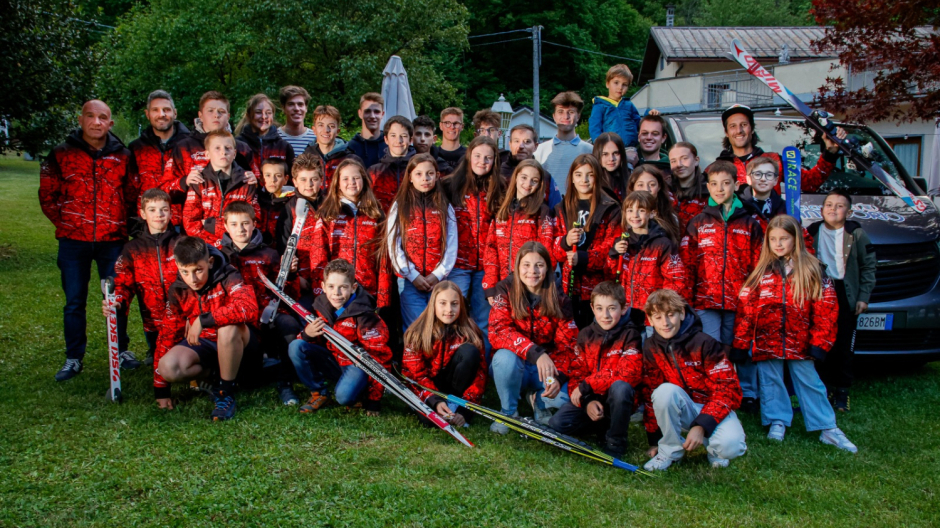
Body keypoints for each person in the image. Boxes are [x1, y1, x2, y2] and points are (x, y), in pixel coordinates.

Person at [733, 215, 858, 452]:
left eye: (784, 239)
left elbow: (827, 309)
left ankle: (827, 427)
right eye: (773, 239)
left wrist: (819, 343)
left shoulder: (813, 269)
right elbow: (746, 310)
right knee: (770, 382)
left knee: (809, 382)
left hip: (799, 341)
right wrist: (741, 342)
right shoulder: (760, 272)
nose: (778, 244)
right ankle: (777, 420)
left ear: (796, 240)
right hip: (766, 341)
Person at [40, 99, 141, 381]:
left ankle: (120, 350)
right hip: (74, 241)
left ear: (110, 123)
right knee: (74, 300)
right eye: (90, 116)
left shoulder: (122, 155)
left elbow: (132, 195)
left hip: (113, 240)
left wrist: (125, 226)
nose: (96, 122)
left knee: (117, 298)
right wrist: (69, 223)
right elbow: (47, 195)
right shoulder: (61, 154)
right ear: (81, 119)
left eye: (103, 117)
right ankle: (74, 357)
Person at [680, 160, 763, 413]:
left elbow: (760, 262)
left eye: (726, 183)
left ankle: (747, 392)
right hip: (706, 299)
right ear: (707, 187)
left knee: (740, 346)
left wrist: (753, 292)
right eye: (714, 184)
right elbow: (687, 262)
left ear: (736, 185)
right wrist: (688, 297)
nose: (719, 189)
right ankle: (712, 390)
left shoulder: (750, 222)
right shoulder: (698, 222)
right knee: (710, 346)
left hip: (740, 298)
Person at [154, 236, 260, 420]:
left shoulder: (229, 274)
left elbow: (249, 308)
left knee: (227, 328)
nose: (193, 279)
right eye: (185, 272)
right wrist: (161, 389)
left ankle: (225, 394)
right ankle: (217, 376)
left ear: (210, 262)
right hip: (206, 345)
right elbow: (167, 333)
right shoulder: (178, 289)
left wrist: (204, 320)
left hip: (243, 347)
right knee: (168, 367)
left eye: (198, 270)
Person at [640, 288, 747, 471]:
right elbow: (650, 389)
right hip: (682, 405)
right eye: (658, 317)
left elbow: (728, 389)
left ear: (682, 313)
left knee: (731, 447)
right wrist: (654, 439)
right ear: (650, 320)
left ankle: (715, 450)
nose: (665, 323)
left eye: (670, 315)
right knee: (663, 392)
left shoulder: (705, 343)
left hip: (712, 406)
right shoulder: (651, 347)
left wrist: (701, 426)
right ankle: (669, 452)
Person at [217, 200, 300, 406]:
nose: (241, 229)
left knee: (288, 324)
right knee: (248, 381)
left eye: (245, 223)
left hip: (268, 313)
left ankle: (286, 381)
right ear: (225, 226)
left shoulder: (269, 254)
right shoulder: (219, 256)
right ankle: (235, 377)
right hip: (240, 319)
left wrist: (290, 274)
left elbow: (287, 290)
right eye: (234, 224)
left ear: (254, 223)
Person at [488, 241, 578, 432]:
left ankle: (539, 400)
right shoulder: (505, 289)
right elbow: (498, 331)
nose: (532, 271)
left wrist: (558, 379)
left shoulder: (559, 297)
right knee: (503, 358)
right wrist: (536, 353)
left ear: (547, 268)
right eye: (526, 265)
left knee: (567, 399)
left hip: (546, 370)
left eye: (539, 265)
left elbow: (568, 346)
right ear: (518, 267)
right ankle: (508, 412)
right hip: (515, 366)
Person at [548, 281, 642, 458]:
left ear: (623, 308)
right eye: (599, 308)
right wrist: (587, 401)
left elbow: (628, 372)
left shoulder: (631, 335)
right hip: (592, 396)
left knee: (621, 387)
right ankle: (600, 426)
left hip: (616, 399)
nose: (605, 315)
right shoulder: (586, 335)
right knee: (557, 424)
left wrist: (587, 385)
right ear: (592, 308)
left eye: (612, 308)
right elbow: (577, 372)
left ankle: (616, 442)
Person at [287, 259, 393, 415]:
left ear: (353, 288)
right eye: (331, 287)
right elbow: (314, 340)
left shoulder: (366, 316)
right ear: (323, 287)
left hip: (357, 367)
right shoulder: (321, 305)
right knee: (296, 346)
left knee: (343, 397)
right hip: (334, 360)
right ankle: (319, 393)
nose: (336, 293)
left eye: (343, 287)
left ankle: (359, 393)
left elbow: (379, 359)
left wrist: (373, 402)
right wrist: (306, 335)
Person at [808, 189, 876, 412]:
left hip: (845, 293)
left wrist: (863, 297)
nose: (833, 209)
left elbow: (868, 267)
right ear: (821, 209)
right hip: (820, 293)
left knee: (843, 345)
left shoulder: (856, 234)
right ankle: (823, 388)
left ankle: (842, 391)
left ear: (849, 211)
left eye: (839, 206)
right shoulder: (813, 231)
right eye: (829, 205)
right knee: (820, 343)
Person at [104, 189, 180, 367]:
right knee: (163, 365)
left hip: (183, 322)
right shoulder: (132, 249)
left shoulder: (182, 243)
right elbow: (123, 283)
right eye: (152, 210)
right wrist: (117, 300)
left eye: (164, 209)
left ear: (171, 212)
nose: (159, 215)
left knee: (181, 364)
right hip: (153, 324)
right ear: (142, 214)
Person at [443, 136, 504, 353]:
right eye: (478, 156)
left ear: (495, 161)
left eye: (488, 158)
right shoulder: (450, 185)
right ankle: (452, 361)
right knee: (451, 313)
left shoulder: (501, 188)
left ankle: (483, 362)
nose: (482, 161)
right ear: (469, 157)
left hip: (487, 267)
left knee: (483, 317)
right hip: (457, 263)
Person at [384, 154, 458, 331]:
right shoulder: (400, 205)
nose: (425, 178)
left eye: (429, 173)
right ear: (410, 177)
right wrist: (412, 275)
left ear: (437, 175)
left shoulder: (444, 206)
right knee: (414, 327)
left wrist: (438, 274)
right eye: (419, 174)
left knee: (439, 327)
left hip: (438, 280)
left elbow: (451, 243)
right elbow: (394, 244)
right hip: (409, 281)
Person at [402, 280, 487, 427]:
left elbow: (480, 375)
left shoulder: (471, 331)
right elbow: (415, 374)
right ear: (433, 304)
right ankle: (434, 407)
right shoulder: (416, 332)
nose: (449, 309)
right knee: (429, 422)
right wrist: (434, 400)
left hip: (455, 388)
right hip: (428, 387)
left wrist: (464, 411)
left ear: (461, 305)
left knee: (470, 351)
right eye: (443, 303)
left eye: (454, 304)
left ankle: (454, 407)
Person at [552, 154, 620, 328]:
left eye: (590, 175)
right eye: (579, 175)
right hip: (570, 286)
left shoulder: (610, 207)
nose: (584, 180)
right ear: (572, 179)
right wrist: (566, 241)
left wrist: (584, 258)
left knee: (598, 331)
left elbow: (611, 247)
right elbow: (553, 248)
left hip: (600, 286)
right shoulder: (562, 207)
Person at [311, 158, 388, 307]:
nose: (351, 182)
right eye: (345, 178)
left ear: (364, 181)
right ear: (337, 184)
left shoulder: (375, 214)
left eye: (356, 178)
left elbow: (383, 258)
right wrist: (320, 296)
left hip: (367, 290)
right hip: (336, 293)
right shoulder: (328, 214)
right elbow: (318, 255)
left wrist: (383, 300)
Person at [717, 104, 845, 190]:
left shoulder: (774, 160)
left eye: (744, 124)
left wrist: (830, 153)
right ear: (727, 133)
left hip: (770, 229)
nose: (739, 130)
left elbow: (810, 182)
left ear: (751, 128)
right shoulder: (716, 168)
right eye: (733, 126)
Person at [609, 191, 688, 328]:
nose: (635, 215)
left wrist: (661, 307)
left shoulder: (662, 243)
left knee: (650, 347)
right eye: (630, 210)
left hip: (652, 313)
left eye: (641, 210)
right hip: (626, 312)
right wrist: (614, 254)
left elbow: (675, 280)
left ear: (652, 213)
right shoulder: (622, 241)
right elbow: (610, 274)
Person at [164, 91, 255, 206]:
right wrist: (184, 181)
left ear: (228, 116)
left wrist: (255, 181)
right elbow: (164, 189)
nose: (216, 115)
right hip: (193, 218)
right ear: (200, 116)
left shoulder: (242, 148)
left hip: (234, 219)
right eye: (210, 111)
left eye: (221, 111)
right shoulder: (184, 147)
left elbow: (260, 186)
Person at [482, 160, 556, 297]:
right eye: (524, 177)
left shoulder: (542, 212)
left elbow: (548, 252)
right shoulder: (502, 209)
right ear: (516, 177)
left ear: (540, 184)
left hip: (529, 286)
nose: (528, 184)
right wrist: (491, 287)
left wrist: (537, 284)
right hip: (502, 286)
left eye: (534, 180)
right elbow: (491, 250)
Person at [182, 130, 260, 247]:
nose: (223, 152)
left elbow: (255, 220)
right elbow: (190, 223)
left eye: (228, 148)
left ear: (234, 154)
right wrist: (216, 244)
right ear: (207, 154)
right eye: (217, 148)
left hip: (237, 246)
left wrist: (209, 224)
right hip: (206, 247)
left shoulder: (246, 181)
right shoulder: (199, 181)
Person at [128, 90, 191, 226]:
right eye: (155, 110)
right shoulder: (136, 148)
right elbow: (130, 189)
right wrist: (134, 221)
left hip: (184, 225)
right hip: (148, 225)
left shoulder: (191, 145)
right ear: (147, 114)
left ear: (175, 113)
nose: (161, 114)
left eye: (166, 110)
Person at [738, 155, 816, 250]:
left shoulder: (787, 209)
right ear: (748, 179)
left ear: (776, 180)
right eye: (758, 174)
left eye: (769, 175)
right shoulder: (738, 208)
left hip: (778, 262)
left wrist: (794, 262)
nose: (763, 179)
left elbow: (803, 240)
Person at [275, 153, 325, 294]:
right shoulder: (290, 208)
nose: (309, 184)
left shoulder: (330, 204)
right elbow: (283, 245)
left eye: (313, 179)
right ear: (295, 181)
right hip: (303, 276)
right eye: (303, 180)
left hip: (328, 276)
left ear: (321, 180)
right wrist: (295, 276)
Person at [534, 91, 594, 190]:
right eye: (560, 112)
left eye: (571, 112)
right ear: (554, 116)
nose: (566, 117)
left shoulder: (589, 150)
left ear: (578, 116)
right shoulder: (540, 150)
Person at [588, 64, 657, 145]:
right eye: (616, 83)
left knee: (633, 157)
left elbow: (639, 125)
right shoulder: (600, 105)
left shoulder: (629, 105)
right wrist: (599, 145)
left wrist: (648, 115)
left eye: (624, 84)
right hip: (610, 149)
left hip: (630, 148)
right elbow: (594, 128)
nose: (620, 87)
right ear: (607, 84)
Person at [235, 93, 295, 183]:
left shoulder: (284, 147)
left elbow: (291, 179)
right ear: (249, 115)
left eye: (268, 113)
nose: (264, 117)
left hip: (276, 196)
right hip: (248, 195)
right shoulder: (238, 145)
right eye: (258, 112)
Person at [500, 123, 562, 207]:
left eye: (527, 142)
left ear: (536, 146)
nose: (521, 146)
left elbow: (556, 211)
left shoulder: (545, 177)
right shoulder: (498, 174)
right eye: (516, 141)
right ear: (510, 144)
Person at [369, 116, 417, 211]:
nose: (398, 141)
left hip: (412, 222)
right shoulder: (374, 171)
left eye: (403, 136)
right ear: (386, 139)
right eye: (393, 135)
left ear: (410, 140)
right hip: (383, 222)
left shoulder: (418, 168)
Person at [626, 165, 682, 244]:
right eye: (640, 185)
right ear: (632, 187)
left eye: (652, 185)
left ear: (659, 187)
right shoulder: (625, 215)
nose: (646, 189)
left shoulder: (671, 217)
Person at [302, 105, 355, 189]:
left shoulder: (351, 160)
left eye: (331, 126)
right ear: (314, 130)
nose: (326, 130)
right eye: (321, 125)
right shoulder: (304, 158)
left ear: (337, 131)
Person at [669, 142, 708, 232]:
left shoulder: (710, 192)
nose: (679, 164)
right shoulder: (665, 192)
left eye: (684, 158)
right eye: (673, 161)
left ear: (696, 160)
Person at [257, 158, 294, 247]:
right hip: (260, 252)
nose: (273, 180)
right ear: (261, 178)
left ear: (286, 179)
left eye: (278, 175)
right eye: (268, 175)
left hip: (284, 250)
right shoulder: (256, 199)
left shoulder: (292, 201)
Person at [346, 92, 386, 168]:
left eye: (376, 112)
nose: (372, 116)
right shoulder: (350, 148)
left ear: (382, 114)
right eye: (367, 111)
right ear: (360, 113)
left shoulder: (390, 146)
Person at [277, 85, 317, 156]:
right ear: (283, 108)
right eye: (291, 104)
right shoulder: (274, 138)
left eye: (300, 104)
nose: (296, 109)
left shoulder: (317, 139)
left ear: (306, 108)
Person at [593, 132, 631, 201]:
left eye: (615, 153)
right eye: (605, 154)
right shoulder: (592, 182)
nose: (611, 159)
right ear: (597, 155)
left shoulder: (631, 179)